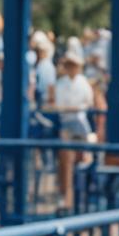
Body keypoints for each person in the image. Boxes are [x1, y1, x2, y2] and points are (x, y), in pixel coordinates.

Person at [51, 52, 94, 211]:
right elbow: (61, 105)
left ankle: (81, 200)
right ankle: (66, 198)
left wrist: (73, 108)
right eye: (68, 65)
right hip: (67, 124)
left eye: (73, 65)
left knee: (85, 160)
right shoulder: (61, 83)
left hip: (80, 125)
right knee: (66, 162)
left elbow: (87, 103)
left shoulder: (83, 83)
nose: (70, 68)